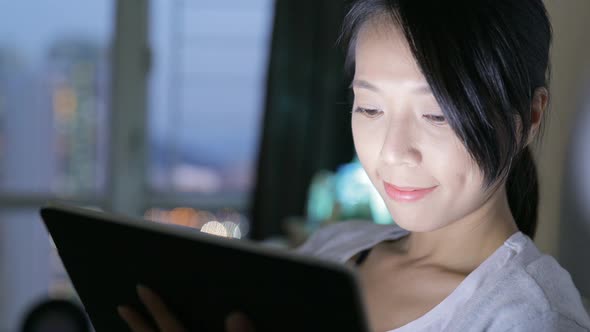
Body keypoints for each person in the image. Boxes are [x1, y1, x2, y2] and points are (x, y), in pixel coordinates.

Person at [118, 0, 590, 331]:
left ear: (528, 117)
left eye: (436, 113)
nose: (393, 151)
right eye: (369, 108)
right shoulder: (332, 250)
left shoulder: (532, 318)